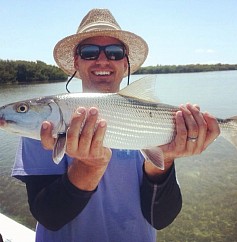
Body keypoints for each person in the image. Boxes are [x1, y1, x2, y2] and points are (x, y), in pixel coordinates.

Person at [12, 8, 220, 242]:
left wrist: (163, 162)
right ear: (76, 63)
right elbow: (49, 217)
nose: (103, 60)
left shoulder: (152, 127)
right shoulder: (42, 131)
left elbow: (160, 218)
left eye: (114, 52)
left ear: (125, 63)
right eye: (89, 52)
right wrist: (89, 167)